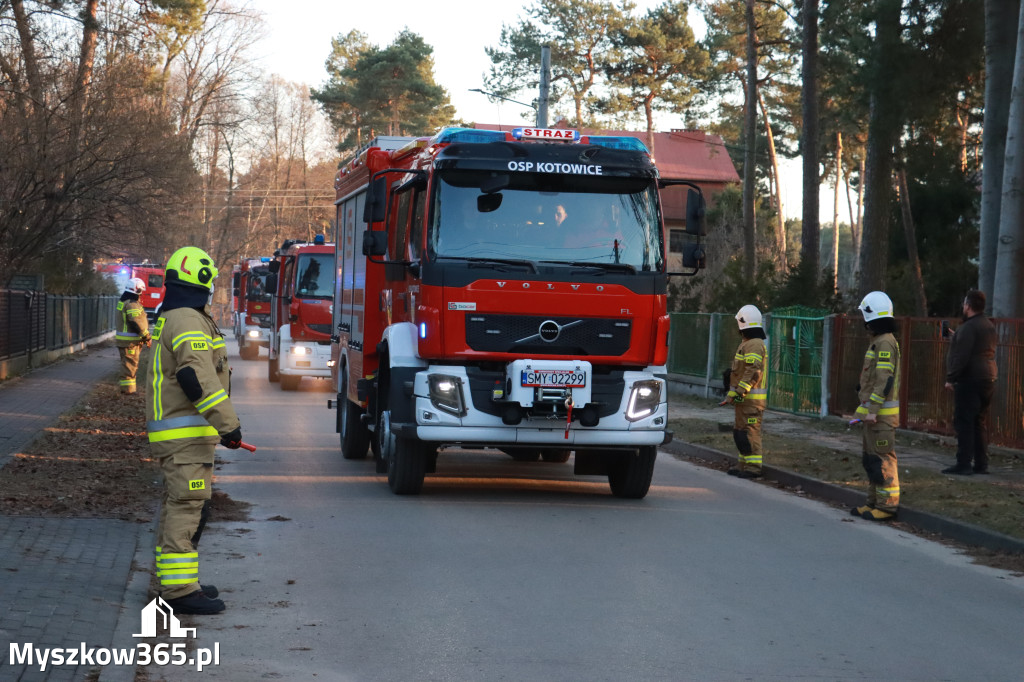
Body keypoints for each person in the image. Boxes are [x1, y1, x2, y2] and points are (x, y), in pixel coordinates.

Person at [146, 246, 243, 615]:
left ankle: (174, 581)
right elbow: (196, 376)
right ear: (202, 278)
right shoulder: (188, 319)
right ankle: (179, 592)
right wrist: (229, 425)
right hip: (184, 437)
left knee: (182, 508)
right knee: (187, 508)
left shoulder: (177, 315)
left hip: (181, 436)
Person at [851, 291, 901, 521]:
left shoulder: (885, 344)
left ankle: (887, 505)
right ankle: (873, 502)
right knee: (871, 460)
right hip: (874, 416)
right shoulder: (878, 342)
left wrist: (872, 411)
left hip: (881, 417)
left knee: (882, 460)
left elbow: (884, 379)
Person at [942, 289, 998, 475]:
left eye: (964, 304)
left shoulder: (968, 327)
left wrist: (951, 378)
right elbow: (977, 348)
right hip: (988, 377)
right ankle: (981, 463)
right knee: (978, 421)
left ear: (968, 305)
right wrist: (955, 337)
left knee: (964, 421)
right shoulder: (988, 325)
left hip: (970, 379)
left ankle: (963, 463)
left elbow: (962, 356)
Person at [719, 304, 768, 478]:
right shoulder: (748, 344)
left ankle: (753, 469)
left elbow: (753, 370)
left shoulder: (754, 345)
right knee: (740, 433)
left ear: (743, 323)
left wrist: (739, 391)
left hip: (751, 401)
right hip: (743, 400)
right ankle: (743, 465)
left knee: (750, 432)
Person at [115, 277, 151, 394]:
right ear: (137, 290)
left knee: (127, 364)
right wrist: (146, 337)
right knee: (130, 366)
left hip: (125, 342)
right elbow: (136, 322)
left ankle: (127, 390)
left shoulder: (123, 302)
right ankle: (128, 391)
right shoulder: (132, 304)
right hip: (130, 342)